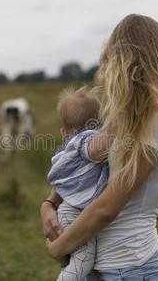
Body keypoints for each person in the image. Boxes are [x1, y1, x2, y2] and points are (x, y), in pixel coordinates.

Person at [41, 14, 158, 280]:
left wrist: (58, 248)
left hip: (128, 268)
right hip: (110, 268)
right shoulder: (129, 118)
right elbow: (88, 166)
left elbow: (107, 208)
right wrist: (49, 203)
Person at [47, 86, 109, 281]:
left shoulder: (68, 146)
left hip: (67, 212)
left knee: (78, 259)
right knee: (84, 259)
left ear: (63, 132)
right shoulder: (84, 139)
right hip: (73, 214)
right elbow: (94, 151)